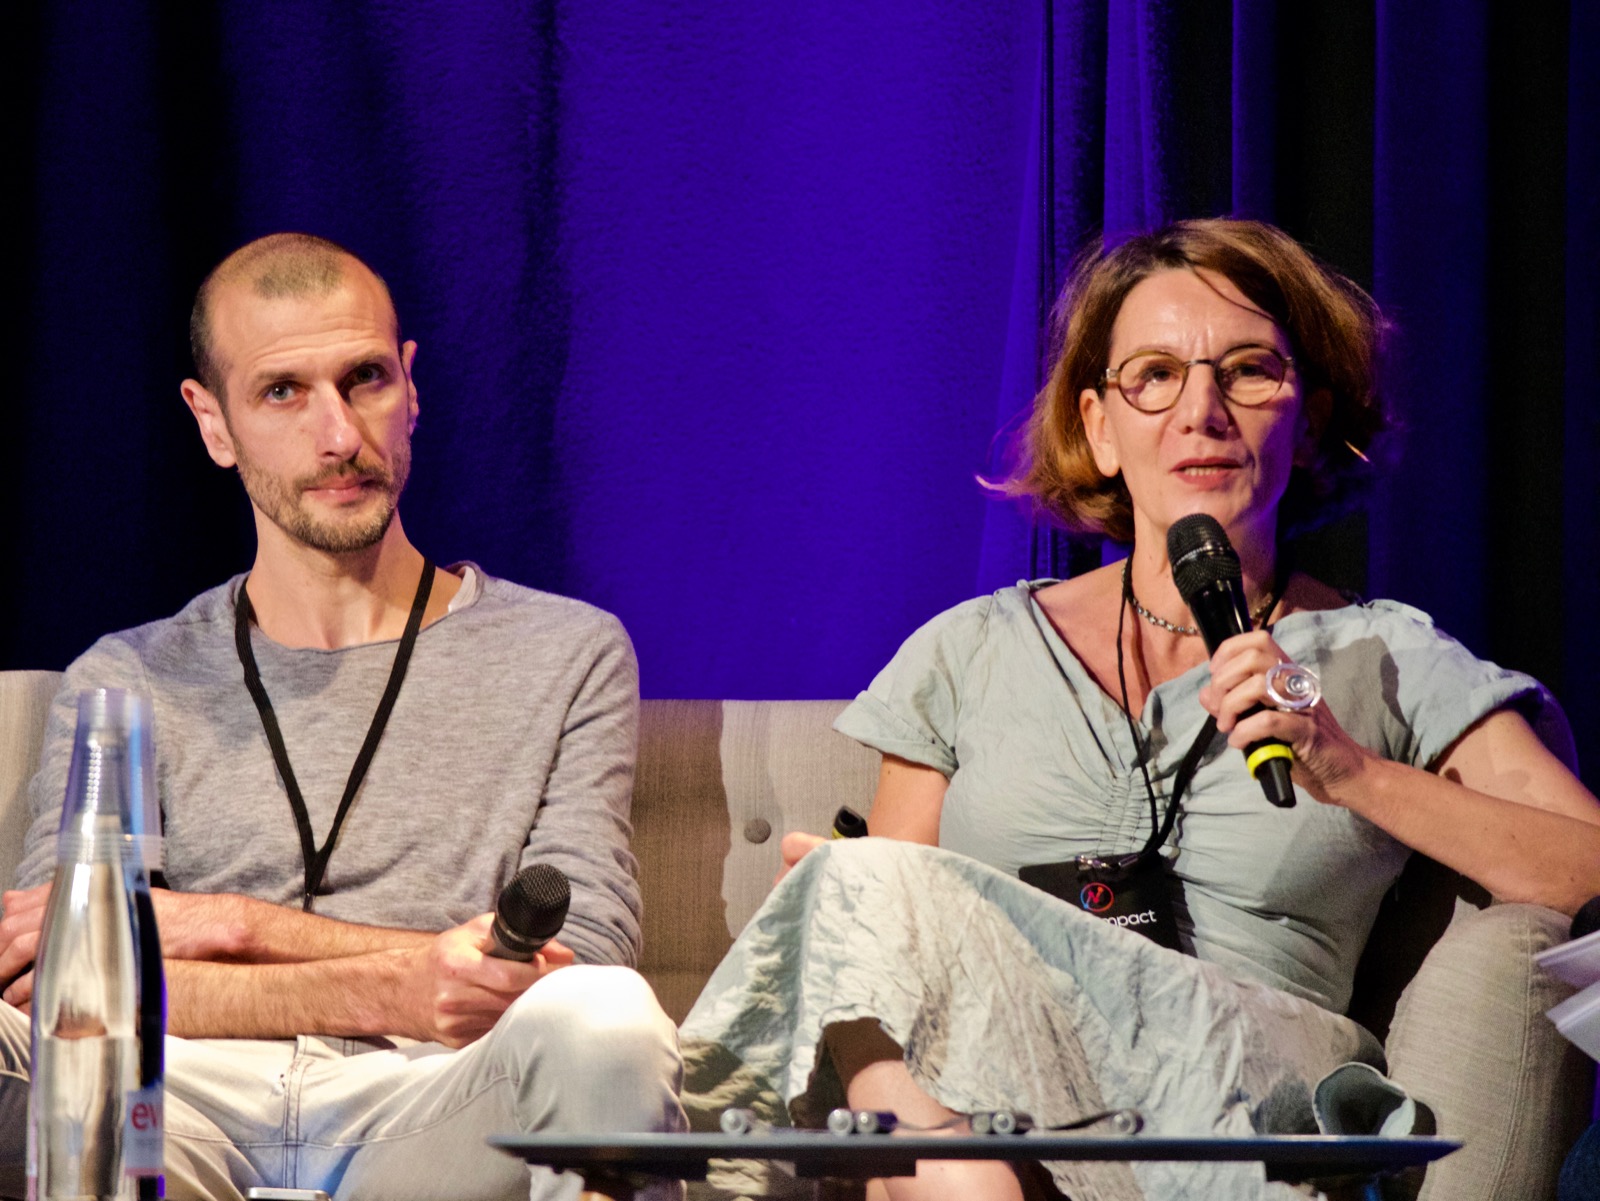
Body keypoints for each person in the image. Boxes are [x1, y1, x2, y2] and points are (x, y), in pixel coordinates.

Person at [679, 218, 1600, 1201]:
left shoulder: (1386, 659)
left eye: (1247, 371)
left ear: (1308, 413)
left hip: (1241, 1121)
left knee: (863, 898)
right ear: (1098, 428)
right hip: (1000, 1120)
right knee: (868, 921)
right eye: (1153, 375)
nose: (1200, 410)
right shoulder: (969, 650)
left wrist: (1352, 771)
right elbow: (889, 993)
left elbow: (1585, 863)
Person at [0, 233, 684, 1201]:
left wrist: (219, 923)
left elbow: (580, 958)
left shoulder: (566, 651)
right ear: (214, 422)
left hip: (432, 1092)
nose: (338, 438)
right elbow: (62, 977)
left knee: (602, 1017)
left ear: (409, 387)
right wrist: (383, 976)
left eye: (362, 378)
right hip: (180, 1089)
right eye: (282, 391)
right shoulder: (128, 677)